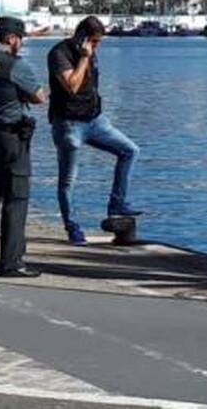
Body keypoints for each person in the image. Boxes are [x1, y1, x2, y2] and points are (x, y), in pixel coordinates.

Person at [48, 16, 142, 246]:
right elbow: (72, 86)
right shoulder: (59, 54)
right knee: (68, 180)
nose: (96, 46)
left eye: (99, 42)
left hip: (95, 120)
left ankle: (117, 204)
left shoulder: (92, 53)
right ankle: (72, 227)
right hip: (69, 124)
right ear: (81, 37)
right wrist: (83, 58)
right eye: (94, 41)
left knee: (130, 150)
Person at [0, 16, 46, 278]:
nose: (21, 44)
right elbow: (39, 97)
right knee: (16, 198)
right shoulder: (15, 65)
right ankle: (11, 263)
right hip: (12, 137)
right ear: (11, 38)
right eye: (20, 38)